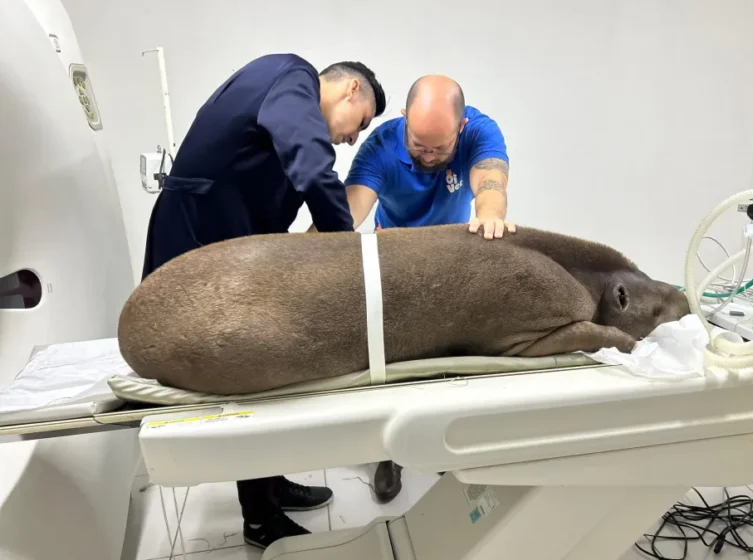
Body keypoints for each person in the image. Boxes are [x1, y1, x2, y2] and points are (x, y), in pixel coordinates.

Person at [139, 53, 386, 549]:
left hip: (227, 248)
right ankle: (259, 517)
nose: (352, 139)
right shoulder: (291, 77)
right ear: (350, 90)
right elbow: (315, 172)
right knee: (246, 372)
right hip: (192, 244)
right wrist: (345, 256)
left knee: (262, 368)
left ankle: (269, 487)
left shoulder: (283, 101)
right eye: (358, 125)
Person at [308, 75, 512, 503]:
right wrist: (306, 251)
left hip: (453, 254)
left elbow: (490, 183)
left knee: (450, 360)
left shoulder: (481, 131)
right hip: (396, 259)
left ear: (461, 127)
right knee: (393, 361)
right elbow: (351, 207)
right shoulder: (382, 146)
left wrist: (491, 216)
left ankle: (446, 442)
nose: (429, 155)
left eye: (440, 148)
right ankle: (390, 453)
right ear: (404, 120)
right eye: (419, 145)